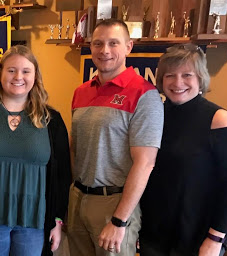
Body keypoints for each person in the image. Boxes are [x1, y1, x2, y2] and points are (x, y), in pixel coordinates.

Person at [0, 45, 72, 256]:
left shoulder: (52, 120)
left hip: (34, 223)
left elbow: (62, 175)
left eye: (26, 71)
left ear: (35, 76)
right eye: (11, 70)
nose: (18, 76)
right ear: (0, 73)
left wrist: (57, 220)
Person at [67, 19, 164, 256]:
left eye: (113, 43)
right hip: (77, 199)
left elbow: (145, 163)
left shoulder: (144, 95)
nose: (105, 50)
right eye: (98, 43)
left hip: (113, 203)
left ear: (129, 47)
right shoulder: (81, 92)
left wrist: (120, 220)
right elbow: (74, 148)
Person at [140, 43, 227, 256]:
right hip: (153, 236)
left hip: (198, 237)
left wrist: (215, 238)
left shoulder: (219, 119)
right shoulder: (156, 115)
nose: (177, 82)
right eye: (170, 75)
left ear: (200, 78)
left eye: (187, 75)